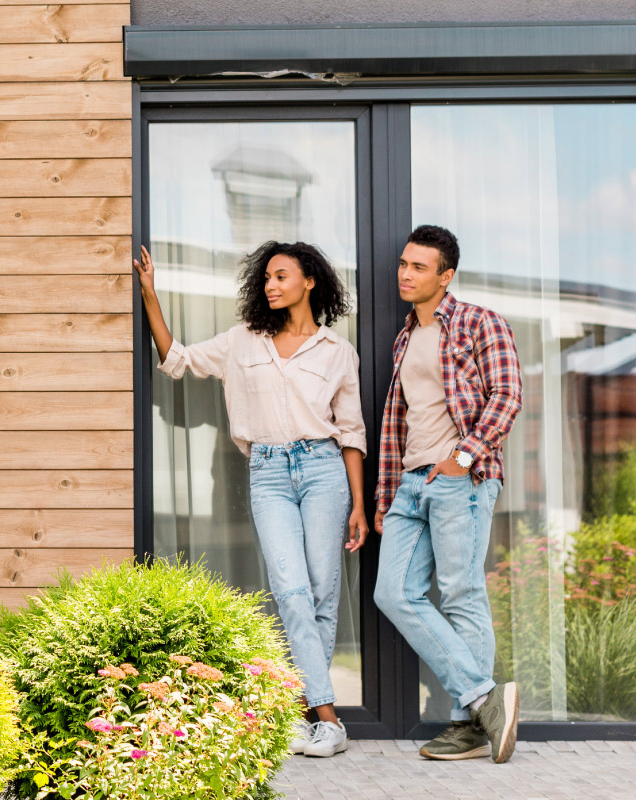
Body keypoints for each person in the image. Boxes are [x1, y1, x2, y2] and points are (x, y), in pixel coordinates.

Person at [134, 241, 367, 759]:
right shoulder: (242, 341)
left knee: (322, 598)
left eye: (281, 276)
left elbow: (351, 433)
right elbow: (176, 359)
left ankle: (308, 717)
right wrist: (150, 294)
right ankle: (328, 718)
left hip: (324, 470)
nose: (271, 285)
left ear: (310, 281)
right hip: (268, 473)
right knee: (291, 592)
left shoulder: (336, 352)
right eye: (265, 278)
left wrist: (358, 504)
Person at [372, 225, 523, 763]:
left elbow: (507, 395)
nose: (405, 274)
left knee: (460, 595)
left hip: (460, 480)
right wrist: (386, 496)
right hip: (410, 484)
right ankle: (486, 698)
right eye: (403, 264)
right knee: (392, 593)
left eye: (419, 267)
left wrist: (462, 459)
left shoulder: (480, 322)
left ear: (446, 275)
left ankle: (467, 726)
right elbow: (399, 423)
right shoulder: (405, 337)